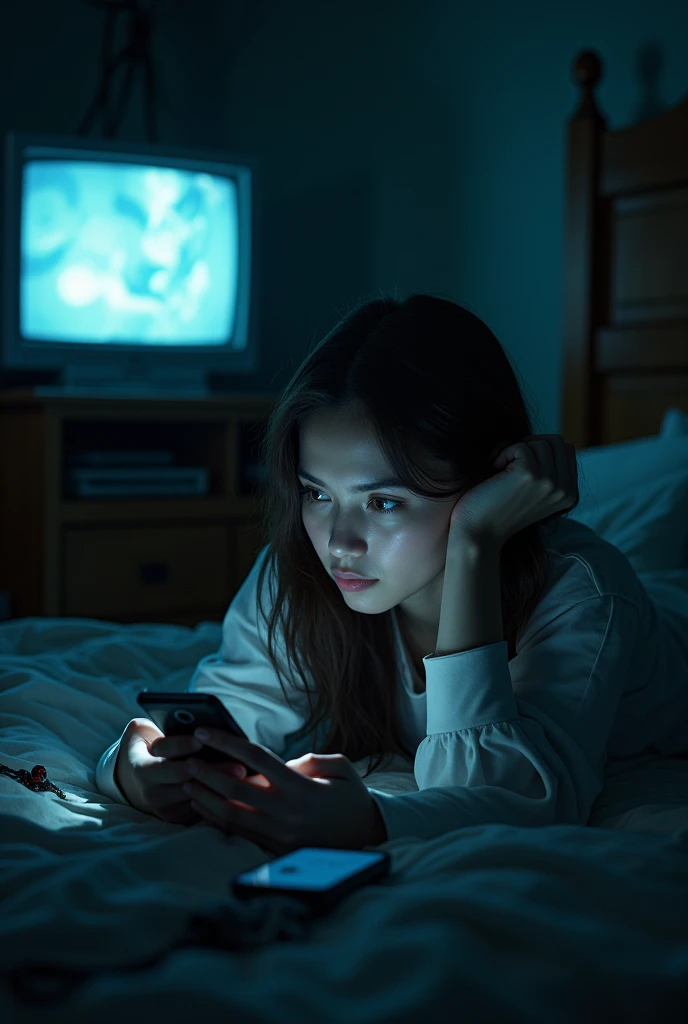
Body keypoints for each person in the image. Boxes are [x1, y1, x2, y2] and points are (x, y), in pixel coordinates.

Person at [95, 293, 688, 854]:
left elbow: (500, 792)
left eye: (382, 502)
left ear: (486, 483)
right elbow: (224, 714)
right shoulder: (305, 565)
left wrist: (475, 545)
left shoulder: (582, 590)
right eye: (317, 494)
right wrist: (134, 769)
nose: (339, 543)